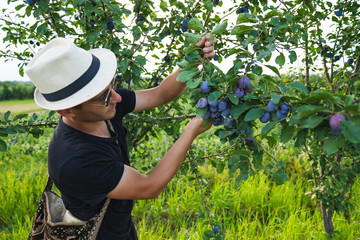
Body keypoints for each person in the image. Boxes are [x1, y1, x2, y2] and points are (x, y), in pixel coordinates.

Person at [25, 35, 215, 239]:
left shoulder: (103, 105)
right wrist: (190, 132)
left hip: (118, 225)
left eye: (110, 86)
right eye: (105, 97)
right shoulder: (76, 160)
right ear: (67, 111)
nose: (116, 97)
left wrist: (192, 61)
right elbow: (150, 186)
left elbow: (161, 94)